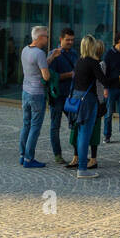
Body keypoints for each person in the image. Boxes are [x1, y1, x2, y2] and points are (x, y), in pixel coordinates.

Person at [70, 35, 120, 178]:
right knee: (86, 133)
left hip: (78, 99)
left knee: (80, 133)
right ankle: (82, 169)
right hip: (88, 100)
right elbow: (105, 82)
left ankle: (81, 164)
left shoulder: (79, 61)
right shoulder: (92, 62)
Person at [18, 25, 51, 168]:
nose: (48, 38)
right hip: (37, 93)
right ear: (40, 37)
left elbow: (35, 66)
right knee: (35, 127)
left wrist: (51, 58)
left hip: (25, 91)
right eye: (46, 36)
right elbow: (46, 75)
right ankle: (29, 159)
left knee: (26, 124)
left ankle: (22, 154)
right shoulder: (40, 53)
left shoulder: (25, 50)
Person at [46, 28, 78, 164]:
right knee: (55, 125)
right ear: (61, 39)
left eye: (72, 40)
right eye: (67, 40)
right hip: (58, 95)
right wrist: (70, 75)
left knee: (76, 124)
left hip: (71, 95)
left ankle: (77, 154)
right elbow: (51, 77)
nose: (70, 42)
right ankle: (57, 154)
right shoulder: (54, 54)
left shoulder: (75, 54)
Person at [102, 32, 120, 145]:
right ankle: (107, 135)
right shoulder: (108, 54)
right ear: (119, 41)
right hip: (110, 88)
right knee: (108, 113)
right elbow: (105, 72)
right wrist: (105, 88)